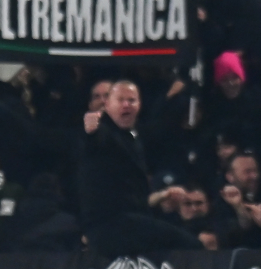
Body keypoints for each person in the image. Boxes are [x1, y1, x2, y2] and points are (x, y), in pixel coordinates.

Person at [79, 81, 202, 257]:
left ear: (140, 105)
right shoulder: (104, 131)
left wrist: (163, 196)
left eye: (132, 100)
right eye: (120, 100)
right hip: (109, 226)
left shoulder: (134, 137)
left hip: (129, 223)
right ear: (107, 105)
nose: (126, 104)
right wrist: (90, 132)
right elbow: (94, 141)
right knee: (191, 245)